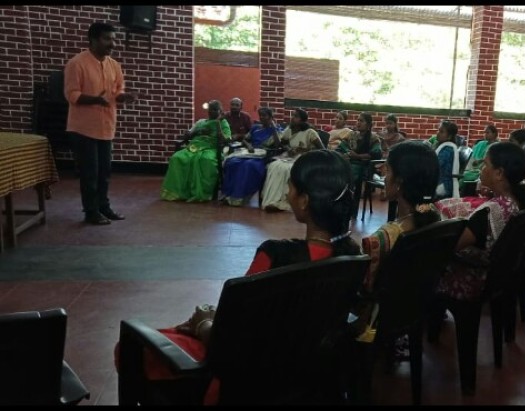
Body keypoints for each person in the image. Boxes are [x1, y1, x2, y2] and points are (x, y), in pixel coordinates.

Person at [114, 149, 362, 405]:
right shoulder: (354, 257)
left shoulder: (275, 256)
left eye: (290, 187)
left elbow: (230, 345)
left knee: (131, 348)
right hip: (309, 381)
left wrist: (204, 323)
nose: (287, 193)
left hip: (246, 384)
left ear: (304, 201)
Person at [355, 141, 442, 358]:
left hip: (378, 319)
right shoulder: (436, 218)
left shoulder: (383, 239)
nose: (384, 176)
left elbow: (364, 290)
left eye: (388, 170)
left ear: (400, 182)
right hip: (414, 309)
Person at [433, 142, 525, 302]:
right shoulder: (514, 201)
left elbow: (451, 246)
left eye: (485, 164)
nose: (481, 169)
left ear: (499, 173)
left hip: (472, 280)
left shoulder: (488, 213)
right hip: (498, 278)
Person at [64, 21, 137, 225]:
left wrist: (123, 96)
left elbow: (118, 90)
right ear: (93, 40)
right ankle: (91, 212)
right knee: (90, 173)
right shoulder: (77, 63)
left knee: (104, 172)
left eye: (113, 39)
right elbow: (71, 95)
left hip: (106, 127)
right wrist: (96, 100)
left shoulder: (114, 65)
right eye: (107, 39)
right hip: (83, 128)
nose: (112, 44)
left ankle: (104, 207)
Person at [161, 100, 232, 202]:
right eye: (210, 109)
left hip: (212, 148)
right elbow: (188, 135)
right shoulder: (201, 122)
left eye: (214, 109)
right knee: (177, 158)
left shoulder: (223, 123)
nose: (211, 111)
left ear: (220, 111)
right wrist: (197, 131)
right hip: (194, 146)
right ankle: (179, 192)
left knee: (205, 160)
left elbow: (226, 139)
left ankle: (201, 193)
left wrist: (217, 124)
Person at [260, 108, 323, 211]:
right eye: (292, 115)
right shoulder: (289, 130)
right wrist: (289, 149)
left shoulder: (310, 132)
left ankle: (284, 201)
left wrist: (303, 150)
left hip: (303, 159)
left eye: (296, 116)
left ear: (303, 120)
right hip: (289, 157)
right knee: (274, 166)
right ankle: (272, 201)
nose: (292, 118)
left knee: (286, 169)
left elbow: (322, 149)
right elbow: (281, 145)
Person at [220, 107, 283, 206]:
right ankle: (228, 194)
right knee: (232, 162)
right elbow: (244, 139)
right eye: (260, 115)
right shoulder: (255, 128)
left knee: (248, 165)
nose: (261, 117)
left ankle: (239, 197)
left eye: (264, 115)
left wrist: (273, 127)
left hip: (263, 155)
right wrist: (249, 145)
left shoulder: (277, 130)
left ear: (271, 117)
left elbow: (278, 145)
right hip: (250, 152)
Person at [460, 124, 499, 189]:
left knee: (464, 177)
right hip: (473, 167)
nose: (485, 135)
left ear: (494, 134)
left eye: (488, 133)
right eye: (484, 133)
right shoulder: (481, 143)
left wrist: (479, 161)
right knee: (462, 173)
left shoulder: (496, 146)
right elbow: (472, 155)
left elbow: (491, 159)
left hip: (483, 169)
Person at [433, 120, 460, 200]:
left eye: (441, 132)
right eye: (438, 130)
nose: (438, 133)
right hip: (440, 181)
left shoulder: (448, 150)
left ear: (449, 136)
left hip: (443, 186)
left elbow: (435, 166)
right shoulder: (442, 146)